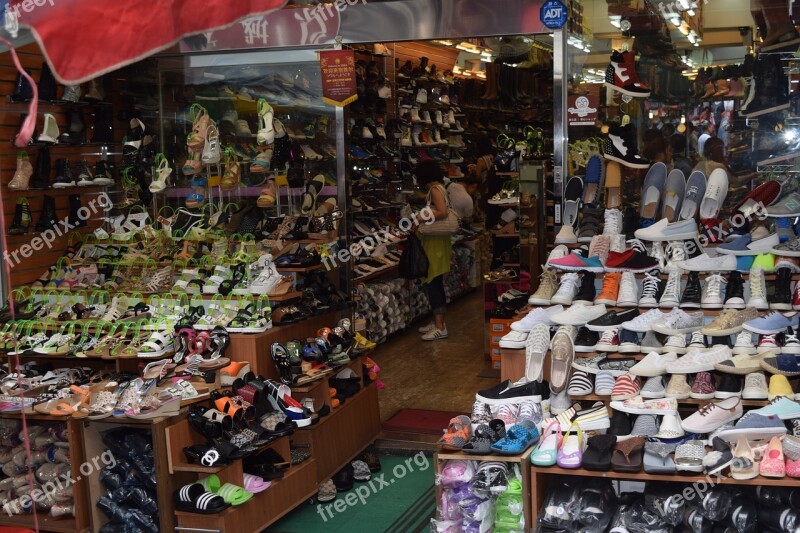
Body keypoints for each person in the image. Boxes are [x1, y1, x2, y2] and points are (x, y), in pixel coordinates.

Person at [415, 160, 454, 341]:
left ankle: (440, 327)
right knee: (434, 281)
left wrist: (421, 218)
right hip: (439, 242)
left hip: (435, 244)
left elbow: (443, 212)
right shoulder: (440, 188)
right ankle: (438, 322)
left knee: (433, 282)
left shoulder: (434, 190)